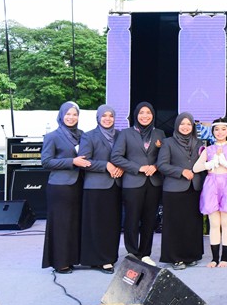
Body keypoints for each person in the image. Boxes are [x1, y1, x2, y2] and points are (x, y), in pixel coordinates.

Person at [110, 102, 166, 266]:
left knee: (150, 220)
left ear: (153, 115)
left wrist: (156, 166)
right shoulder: (126, 133)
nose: (145, 116)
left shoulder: (159, 133)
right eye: (141, 112)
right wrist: (138, 168)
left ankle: (146, 253)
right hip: (132, 183)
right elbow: (116, 157)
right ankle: (133, 253)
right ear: (136, 115)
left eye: (148, 112)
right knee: (132, 219)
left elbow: (164, 156)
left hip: (153, 182)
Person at [41, 101, 89, 273]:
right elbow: (46, 162)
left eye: (75, 114)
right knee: (61, 224)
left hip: (79, 184)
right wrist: (72, 161)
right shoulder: (52, 136)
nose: (71, 117)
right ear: (61, 115)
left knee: (74, 223)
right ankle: (60, 262)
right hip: (60, 187)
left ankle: (73, 258)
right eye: (68, 114)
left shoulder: (82, 135)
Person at [157, 112, 205, 270]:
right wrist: (181, 171)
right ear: (177, 125)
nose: (185, 127)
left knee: (192, 223)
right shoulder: (168, 142)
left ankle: (191, 255)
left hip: (194, 188)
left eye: (189, 124)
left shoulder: (199, 143)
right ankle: (175, 258)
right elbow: (162, 165)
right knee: (175, 224)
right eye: (182, 124)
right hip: (174, 189)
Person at [79, 104, 123, 274]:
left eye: (111, 116)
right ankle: (98, 259)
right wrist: (106, 165)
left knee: (112, 224)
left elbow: (126, 156)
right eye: (104, 116)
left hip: (116, 185)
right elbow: (84, 161)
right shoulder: (89, 136)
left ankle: (109, 257)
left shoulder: (120, 135)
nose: (107, 119)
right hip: (96, 187)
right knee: (97, 223)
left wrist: (122, 167)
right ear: (98, 118)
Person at [193, 118, 227, 268]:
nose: (220, 132)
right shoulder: (207, 150)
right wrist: (211, 163)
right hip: (211, 184)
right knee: (214, 223)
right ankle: (214, 258)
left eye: (223, 129)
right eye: (217, 129)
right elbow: (196, 168)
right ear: (213, 132)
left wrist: (225, 163)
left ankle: (225, 258)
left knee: (226, 223)